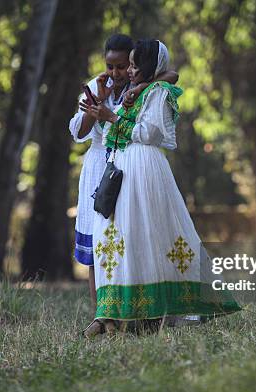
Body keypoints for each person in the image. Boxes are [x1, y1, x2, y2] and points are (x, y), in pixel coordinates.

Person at [81, 39, 241, 337]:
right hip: (124, 170)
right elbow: (113, 130)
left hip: (145, 170)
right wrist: (102, 111)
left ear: (147, 67)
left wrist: (112, 116)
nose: (128, 71)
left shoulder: (160, 93)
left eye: (132, 65)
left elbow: (149, 133)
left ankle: (160, 311)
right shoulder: (138, 92)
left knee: (152, 232)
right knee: (121, 236)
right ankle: (121, 314)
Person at [69, 34, 179, 315]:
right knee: (98, 241)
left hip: (127, 164)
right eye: (110, 66)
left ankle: (131, 309)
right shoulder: (97, 85)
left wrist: (138, 85)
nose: (116, 73)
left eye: (122, 66)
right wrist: (97, 108)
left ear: (133, 62)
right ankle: (100, 313)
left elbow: (171, 74)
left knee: (127, 234)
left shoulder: (138, 82)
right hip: (98, 165)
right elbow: (79, 132)